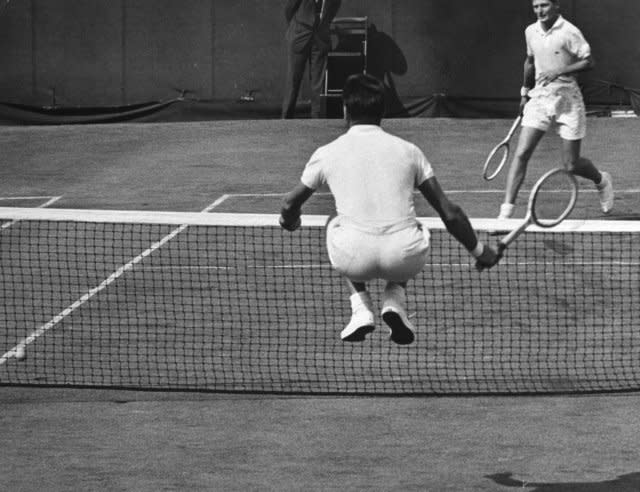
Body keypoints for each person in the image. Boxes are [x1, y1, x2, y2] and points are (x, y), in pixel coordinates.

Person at [279, 74, 499, 345]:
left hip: (353, 257)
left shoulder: (327, 152)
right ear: (382, 111)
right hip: (405, 257)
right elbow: (449, 213)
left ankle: (360, 308)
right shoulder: (410, 151)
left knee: (334, 222)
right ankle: (394, 301)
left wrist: (289, 221)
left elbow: (290, 204)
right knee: (414, 227)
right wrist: (480, 251)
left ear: (345, 110)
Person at [498, 0, 614, 219]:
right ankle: (505, 214)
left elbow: (589, 62)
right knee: (521, 154)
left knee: (571, 164)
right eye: (536, 6)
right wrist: (524, 92)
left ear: (556, 6)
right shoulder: (530, 31)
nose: (540, 10)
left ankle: (601, 180)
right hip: (540, 98)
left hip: (568, 100)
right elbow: (529, 61)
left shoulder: (570, 32)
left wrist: (560, 70)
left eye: (544, 5)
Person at [282, 0, 342, 119]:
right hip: (299, 35)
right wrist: (296, 28)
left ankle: (317, 120)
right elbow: (289, 9)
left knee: (318, 83)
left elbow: (333, 10)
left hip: (320, 38)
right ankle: (286, 119)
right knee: (293, 80)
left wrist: (323, 25)